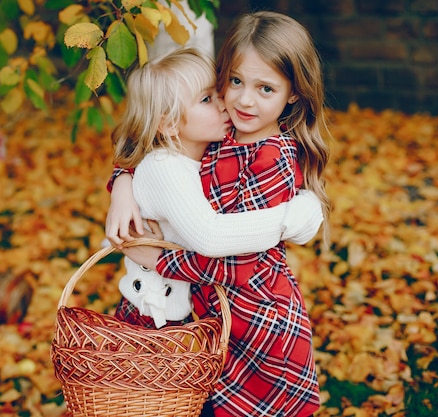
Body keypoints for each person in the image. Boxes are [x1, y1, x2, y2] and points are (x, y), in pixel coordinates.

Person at [107, 11, 330, 417]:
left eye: (266, 88)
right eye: (234, 83)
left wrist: (161, 260)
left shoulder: (270, 158)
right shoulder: (224, 138)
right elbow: (157, 145)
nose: (243, 100)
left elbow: (238, 262)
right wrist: (123, 180)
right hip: (214, 317)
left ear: (293, 94)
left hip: (258, 322)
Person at [106, 47, 323, 330]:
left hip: (191, 314)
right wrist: (292, 218)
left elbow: (135, 153)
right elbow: (210, 236)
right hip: (155, 318)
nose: (224, 104)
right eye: (207, 99)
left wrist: (122, 181)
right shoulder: (164, 166)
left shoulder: (210, 148)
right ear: (170, 123)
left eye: (218, 92)